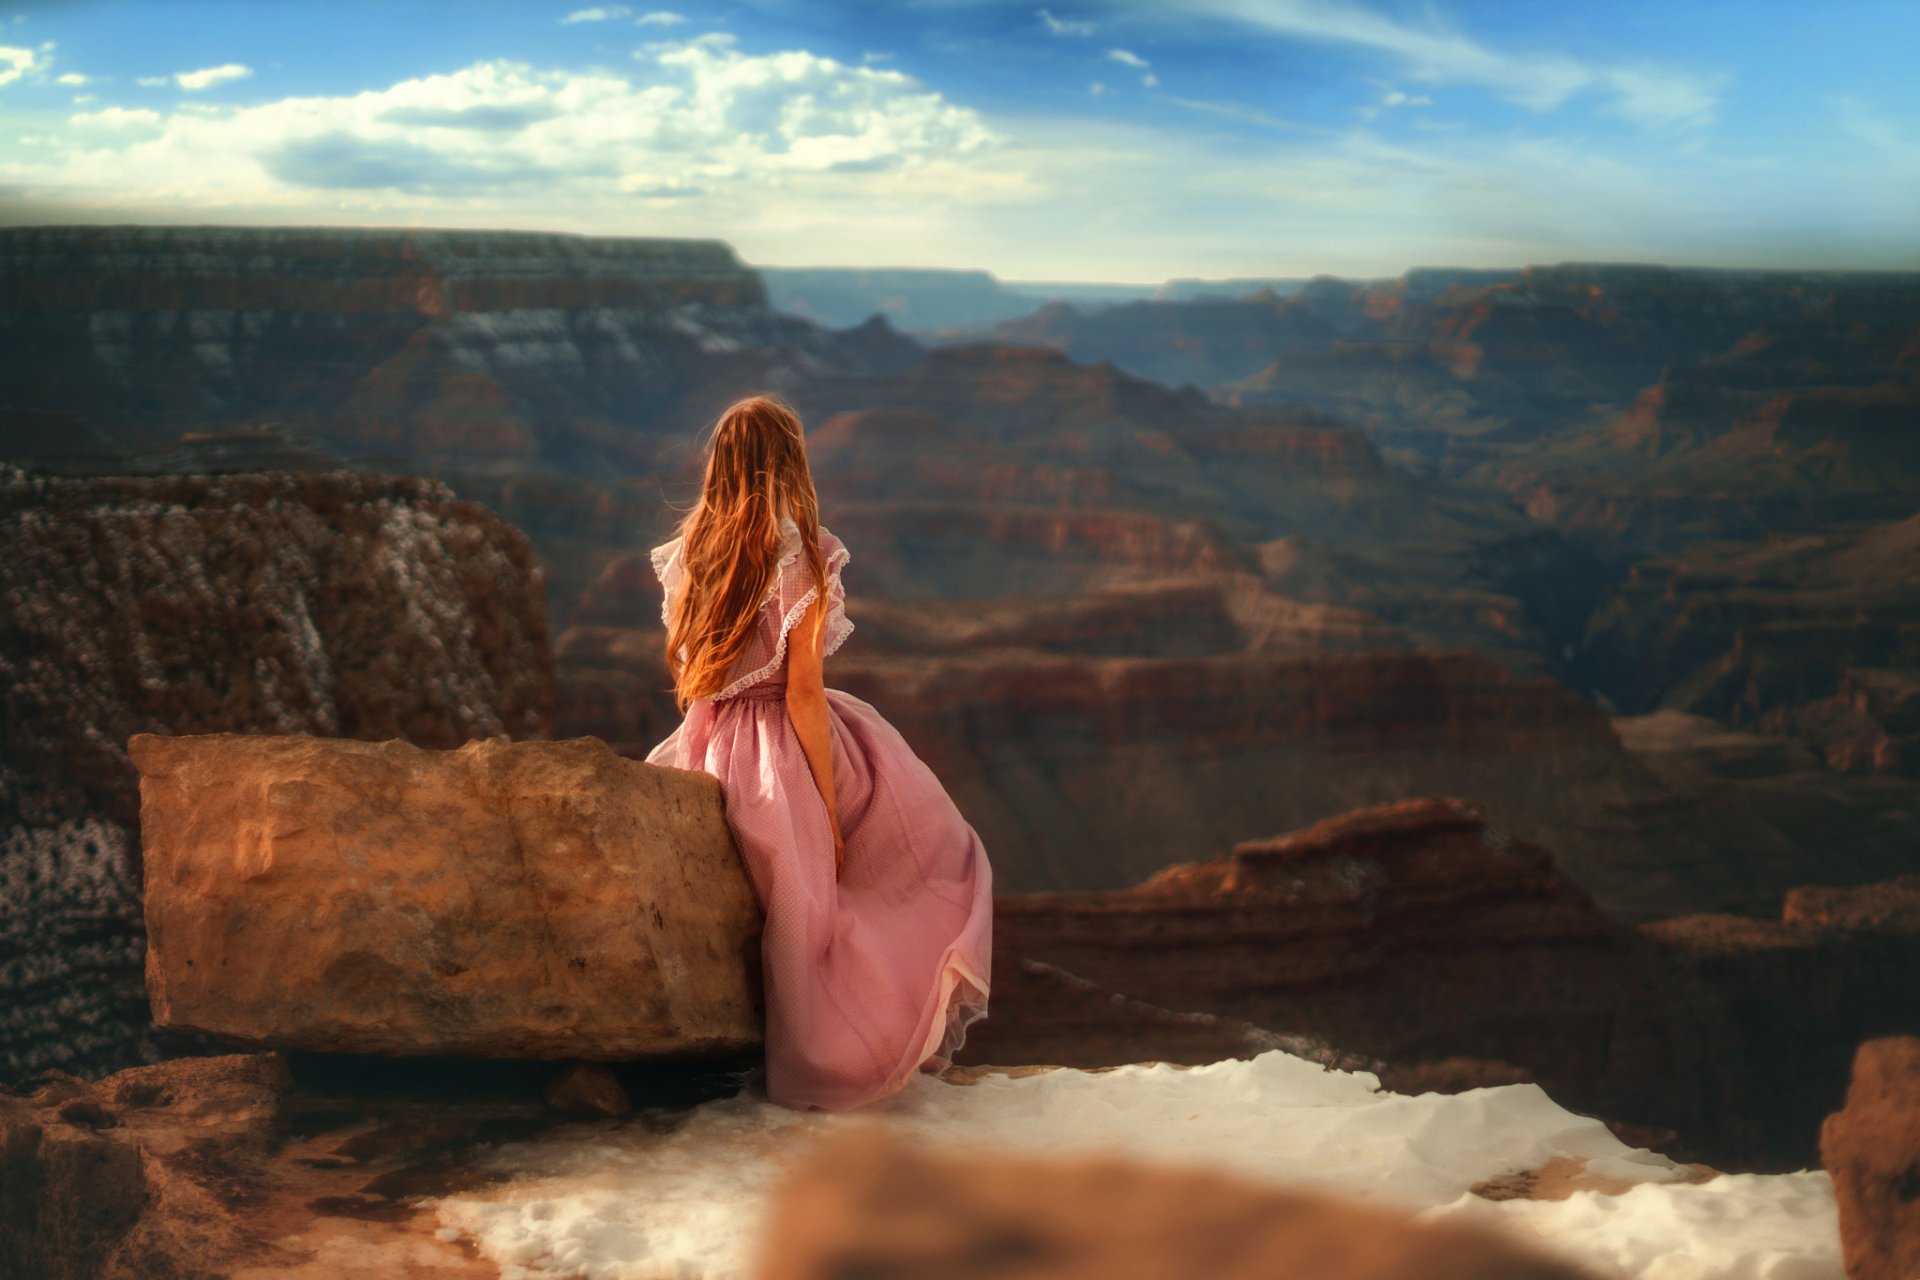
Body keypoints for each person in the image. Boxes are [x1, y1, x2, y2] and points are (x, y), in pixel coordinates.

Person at [644, 394, 993, 1111]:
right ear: (787, 463)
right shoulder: (801, 553)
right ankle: (846, 1048)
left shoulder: (691, 551)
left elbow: (688, 676)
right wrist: (825, 811)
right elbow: (803, 694)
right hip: (781, 742)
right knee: (933, 844)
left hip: (713, 742)